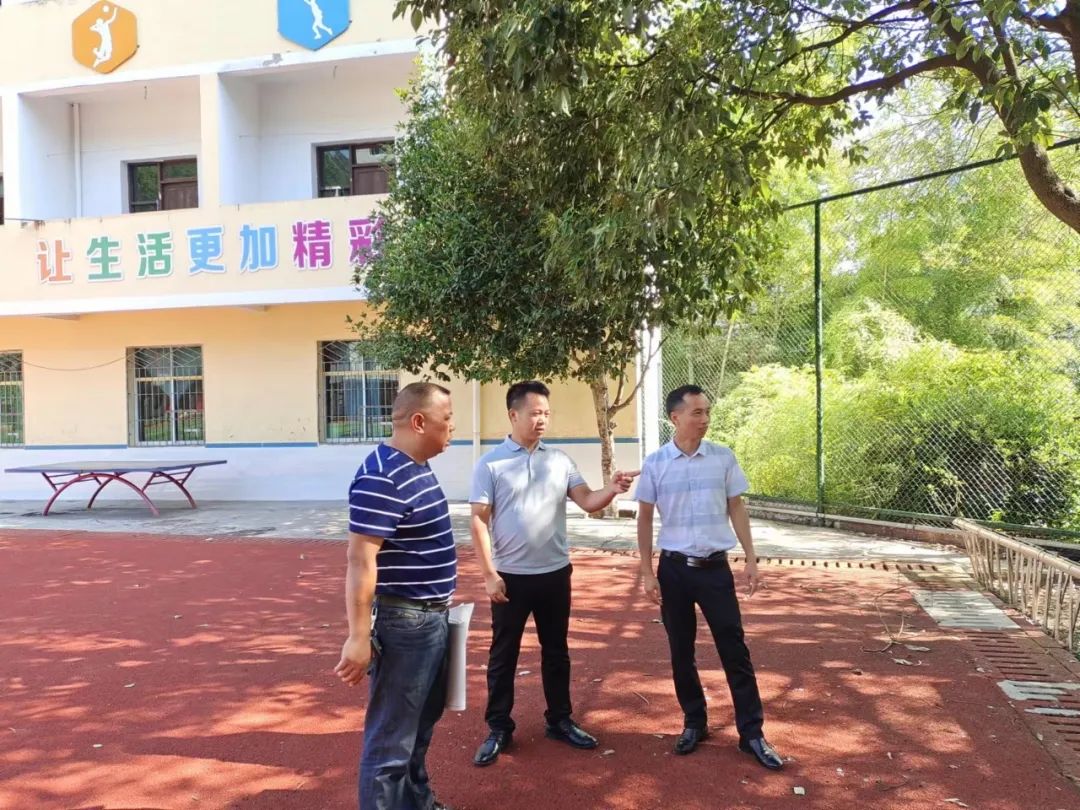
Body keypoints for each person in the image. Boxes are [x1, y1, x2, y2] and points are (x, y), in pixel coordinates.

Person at [470, 380, 638, 767]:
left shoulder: (560, 461)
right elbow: (478, 520)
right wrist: (489, 574)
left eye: (546, 413)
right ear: (513, 415)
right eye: (535, 413)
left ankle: (560, 720)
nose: (542, 419)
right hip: (511, 577)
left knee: (557, 652)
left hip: (554, 574)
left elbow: (588, 501)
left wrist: (612, 489)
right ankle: (499, 727)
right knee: (503, 655)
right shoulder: (490, 464)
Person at [635, 384, 783, 770]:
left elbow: (737, 507)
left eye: (707, 412)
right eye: (697, 412)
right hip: (673, 571)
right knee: (680, 650)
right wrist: (647, 572)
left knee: (734, 649)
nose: (705, 419)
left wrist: (751, 558)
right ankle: (694, 722)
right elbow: (645, 518)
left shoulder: (722, 457)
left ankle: (751, 733)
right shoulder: (655, 463)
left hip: (715, 570)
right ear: (675, 418)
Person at [334, 381, 457, 809]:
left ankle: (417, 802)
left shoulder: (415, 466)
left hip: (431, 617)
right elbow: (360, 560)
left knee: (419, 726)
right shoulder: (381, 477)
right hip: (406, 624)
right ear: (419, 422)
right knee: (391, 742)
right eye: (447, 419)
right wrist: (358, 637)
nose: (452, 428)